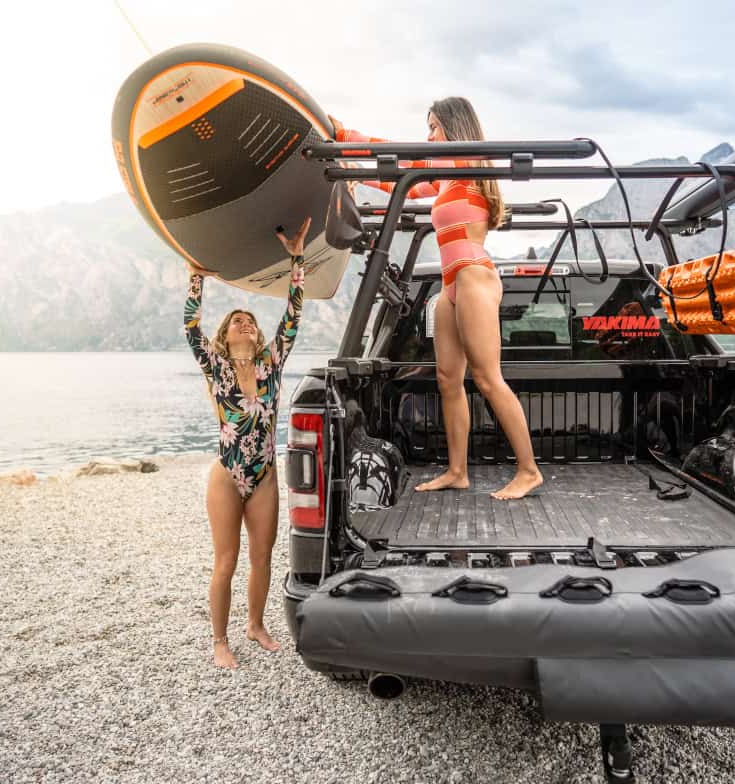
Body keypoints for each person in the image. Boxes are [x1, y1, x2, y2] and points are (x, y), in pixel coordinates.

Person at [330, 98, 543, 500]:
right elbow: (404, 184)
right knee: (448, 380)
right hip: (451, 285)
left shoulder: (464, 162)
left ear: (454, 126)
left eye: (433, 127)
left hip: (473, 275)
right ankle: (457, 471)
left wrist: (346, 136)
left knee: (487, 378)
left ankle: (529, 471)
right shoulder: (446, 177)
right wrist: (356, 172)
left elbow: (405, 158)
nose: (428, 136)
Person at [183, 218, 309, 669]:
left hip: (265, 476)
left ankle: (255, 625)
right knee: (226, 560)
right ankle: (220, 640)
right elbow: (191, 327)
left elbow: (292, 318)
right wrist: (196, 278)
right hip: (227, 474)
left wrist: (297, 260)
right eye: (237, 321)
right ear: (225, 336)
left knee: (262, 557)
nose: (246, 323)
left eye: (251, 321)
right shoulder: (215, 367)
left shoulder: (271, 365)